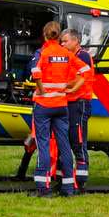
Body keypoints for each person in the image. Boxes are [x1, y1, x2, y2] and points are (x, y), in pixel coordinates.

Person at [30, 21, 86, 198]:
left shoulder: (43, 52)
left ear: (45, 35)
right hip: (62, 105)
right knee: (64, 145)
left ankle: (43, 188)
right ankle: (69, 188)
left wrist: (41, 89)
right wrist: (73, 88)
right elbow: (85, 70)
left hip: (44, 105)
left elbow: (35, 72)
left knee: (44, 144)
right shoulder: (66, 53)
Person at [61, 28, 95, 191]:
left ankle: (81, 178)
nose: (62, 44)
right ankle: (66, 175)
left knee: (78, 138)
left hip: (80, 102)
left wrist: (60, 84)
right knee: (66, 138)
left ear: (76, 41)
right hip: (68, 101)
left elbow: (78, 78)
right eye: (61, 41)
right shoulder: (68, 57)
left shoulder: (83, 56)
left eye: (65, 41)